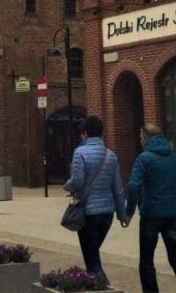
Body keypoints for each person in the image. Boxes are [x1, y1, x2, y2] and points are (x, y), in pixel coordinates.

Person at [125, 124, 176, 293]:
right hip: (173, 215)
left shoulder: (143, 159)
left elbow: (133, 186)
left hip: (151, 214)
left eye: (140, 138)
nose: (140, 141)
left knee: (146, 261)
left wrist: (129, 212)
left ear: (145, 138)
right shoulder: (173, 158)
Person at [63, 115, 127, 280]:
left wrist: (67, 185)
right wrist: (122, 214)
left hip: (88, 212)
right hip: (107, 214)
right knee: (93, 252)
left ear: (84, 133)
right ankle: (94, 281)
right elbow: (118, 188)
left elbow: (77, 181)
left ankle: (99, 283)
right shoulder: (110, 155)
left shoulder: (80, 153)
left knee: (92, 258)